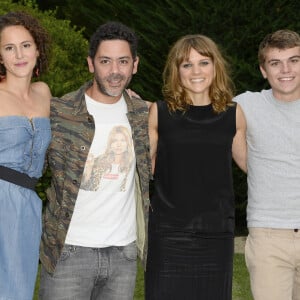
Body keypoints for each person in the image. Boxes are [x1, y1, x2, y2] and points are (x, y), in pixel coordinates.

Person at [39, 21, 151, 300]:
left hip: (123, 254)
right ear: (91, 64)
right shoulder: (59, 112)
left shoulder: (144, 114)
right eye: (105, 61)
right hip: (69, 251)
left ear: (135, 65)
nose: (115, 71)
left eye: (123, 61)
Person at [145, 34, 247, 300]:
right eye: (186, 65)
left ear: (216, 66)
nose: (196, 71)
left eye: (203, 62)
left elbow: (251, 164)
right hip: (168, 233)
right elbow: (145, 166)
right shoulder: (160, 112)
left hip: (216, 233)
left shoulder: (233, 113)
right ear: (176, 72)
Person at [234, 29, 300, 300]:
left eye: (294, 60)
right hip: (268, 236)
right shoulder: (246, 105)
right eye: (275, 62)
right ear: (263, 70)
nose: (285, 69)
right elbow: (196, 114)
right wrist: (141, 106)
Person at [0, 11, 51, 300]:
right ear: (0, 56)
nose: (19, 54)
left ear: (37, 49)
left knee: (18, 289)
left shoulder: (43, 92)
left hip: (29, 206)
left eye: (26, 45)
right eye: (9, 47)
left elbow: (80, 111)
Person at [81, 125, 134, 191]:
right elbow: (84, 187)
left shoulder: (132, 164)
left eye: (123, 140)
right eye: (115, 141)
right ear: (110, 143)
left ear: (128, 143)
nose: (118, 144)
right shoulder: (98, 161)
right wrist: (89, 168)